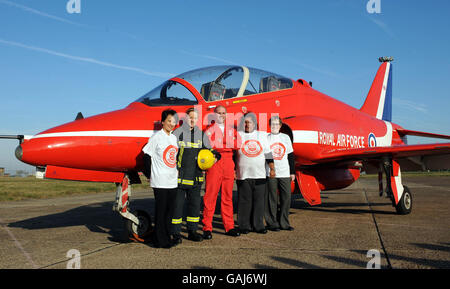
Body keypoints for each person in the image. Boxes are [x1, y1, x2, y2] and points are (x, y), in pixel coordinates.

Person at [171, 108, 221, 245]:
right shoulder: (177, 133)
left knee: (194, 206)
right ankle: (175, 233)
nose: (192, 120)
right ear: (186, 118)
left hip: (195, 178)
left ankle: (192, 231)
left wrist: (216, 155)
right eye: (190, 117)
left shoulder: (202, 134)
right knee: (177, 207)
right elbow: (171, 153)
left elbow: (209, 151)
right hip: (179, 178)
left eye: (195, 118)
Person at [202, 105, 241, 239]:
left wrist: (222, 143)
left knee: (227, 196)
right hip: (215, 162)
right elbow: (208, 144)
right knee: (210, 196)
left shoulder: (232, 130)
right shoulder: (208, 130)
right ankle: (207, 227)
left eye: (223, 113)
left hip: (229, 162)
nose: (221, 115)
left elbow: (237, 145)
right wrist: (227, 143)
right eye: (218, 113)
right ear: (214, 115)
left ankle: (229, 226)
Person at [142, 109, 178, 248]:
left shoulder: (174, 138)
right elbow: (146, 155)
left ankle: (167, 237)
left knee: (170, 212)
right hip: (160, 181)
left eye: (173, 121)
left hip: (172, 180)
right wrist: (149, 175)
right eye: (169, 121)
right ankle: (159, 240)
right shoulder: (156, 137)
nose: (171, 123)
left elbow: (173, 157)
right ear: (163, 122)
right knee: (161, 212)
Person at [236, 112, 275, 234]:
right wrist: (233, 170)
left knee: (259, 201)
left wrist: (272, 168)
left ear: (255, 123)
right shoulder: (238, 135)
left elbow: (268, 153)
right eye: (246, 122)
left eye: (250, 122)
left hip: (259, 174)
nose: (247, 125)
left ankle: (258, 225)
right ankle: (244, 226)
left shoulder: (262, 135)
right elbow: (232, 154)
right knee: (244, 201)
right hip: (243, 174)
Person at [265, 116, 295, 231]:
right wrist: (270, 169)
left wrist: (292, 172)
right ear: (269, 125)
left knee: (286, 197)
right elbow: (267, 154)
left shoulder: (285, 137)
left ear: (280, 126)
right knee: (272, 198)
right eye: (272, 124)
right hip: (271, 173)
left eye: (277, 124)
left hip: (284, 172)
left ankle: (284, 223)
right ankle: (272, 223)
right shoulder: (267, 138)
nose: (274, 126)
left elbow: (291, 155)